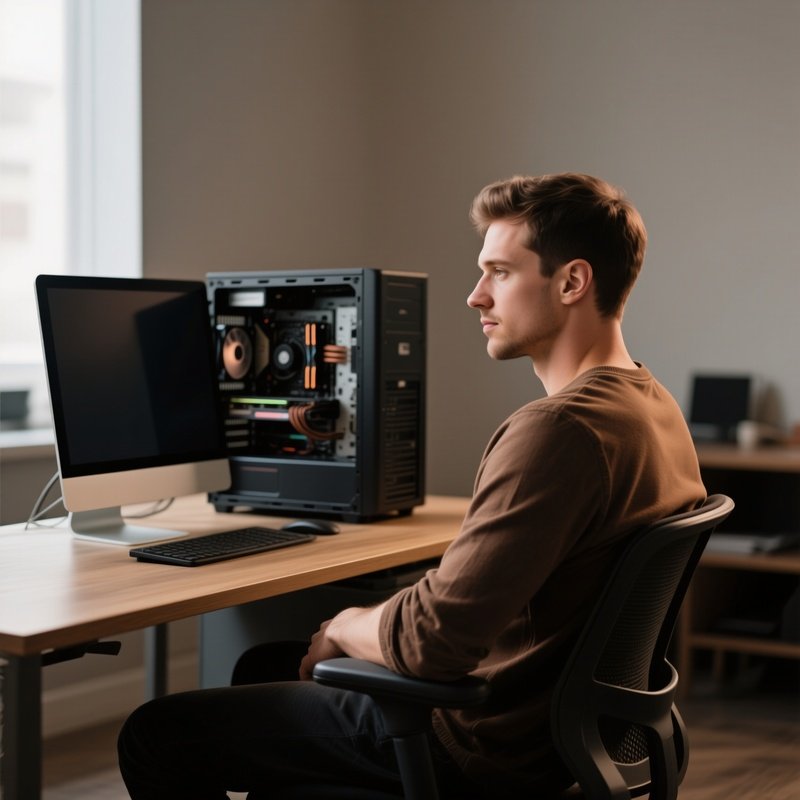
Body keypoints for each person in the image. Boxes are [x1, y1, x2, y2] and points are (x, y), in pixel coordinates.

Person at [118, 173, 706, 799]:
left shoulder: (558, 430)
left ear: (571, 282)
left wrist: (345, 624)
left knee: (156, 734)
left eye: (500, 272)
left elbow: (435, 642)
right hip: (572, 734)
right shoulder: (651, 404)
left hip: (480, 746)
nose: (476, 296)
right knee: (262, 666)